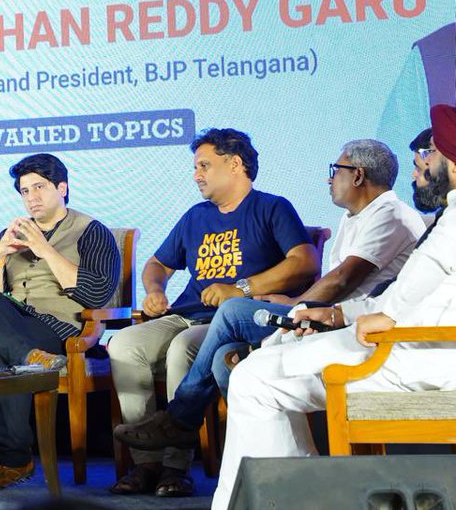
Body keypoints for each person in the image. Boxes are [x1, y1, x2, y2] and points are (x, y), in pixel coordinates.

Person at [210, 105, 456, 510]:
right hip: (405, 343)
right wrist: (337, 316)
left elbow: (399, 306)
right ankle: (293, 495)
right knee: (269, 354)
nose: (425, 163)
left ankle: (292, 499)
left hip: (415, 355)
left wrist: (364, 320)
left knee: (255, 377)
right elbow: (405, 298)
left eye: (432, 154)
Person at [114, 138, 425, 453]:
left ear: (357, 175)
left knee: (232, 311)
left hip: (353, 327)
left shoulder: (389, 215)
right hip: (325, 320)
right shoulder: (354, 217)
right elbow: (159, 263)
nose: (330, 178)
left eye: (336, 170)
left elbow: (340, 278)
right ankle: (267, 462)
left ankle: (180, 420)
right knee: (225, 364)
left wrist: (291, 303)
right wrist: (155, 290)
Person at [106, 128, 318, 498]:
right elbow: (158, 263)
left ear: (235, 164)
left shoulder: (272, 207)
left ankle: (176, 466)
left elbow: (304, 262)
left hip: (226, 322)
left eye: (204, 165)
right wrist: (155, 290)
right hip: (183, 313)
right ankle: (146, 464)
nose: (196, 175)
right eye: (195, 167)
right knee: (124, 344)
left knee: (181, 349)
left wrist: (242, 289)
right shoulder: (196, 216)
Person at [0, 153, 121, 490]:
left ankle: (13, 460)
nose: (31, 197)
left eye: (39, 187)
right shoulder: (9, 234)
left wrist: (46, 249)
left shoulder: (92, 232)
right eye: (24, 191)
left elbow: (96, 294)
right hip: (16, 326)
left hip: (58, 328)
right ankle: (28, 358)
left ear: (62, 188)